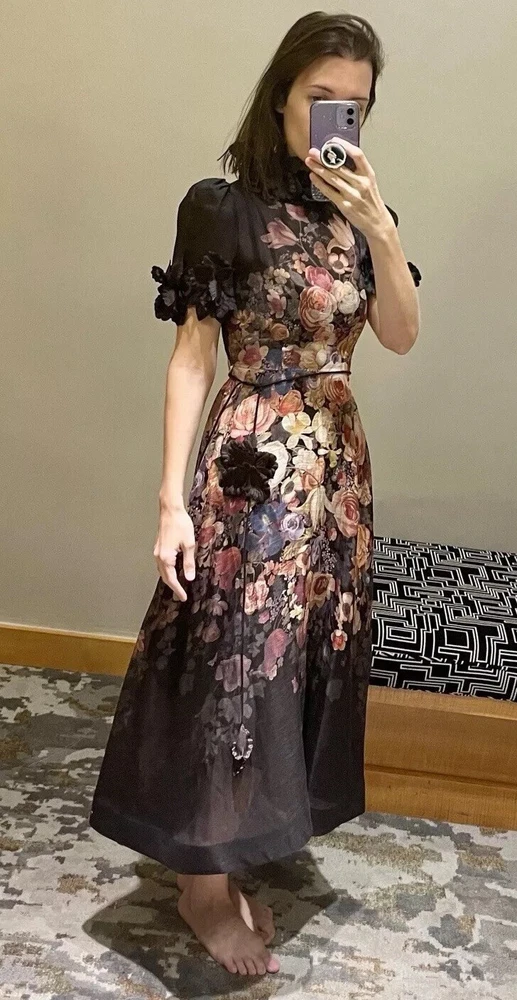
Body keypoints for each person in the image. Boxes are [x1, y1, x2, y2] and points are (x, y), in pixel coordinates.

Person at [89, 10, 421, 979]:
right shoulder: (220, 208)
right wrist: (169, 500)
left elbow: (399, 334)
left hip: (337, 471)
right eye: (321, 97)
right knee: (234, 657)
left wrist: (378, 225)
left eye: (355, 105)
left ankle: (244, 836)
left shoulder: (361, 216)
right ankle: (200, 885)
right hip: (253, 464)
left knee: (301, 655)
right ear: (281, 96)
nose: (337, 117)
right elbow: (192, 358)